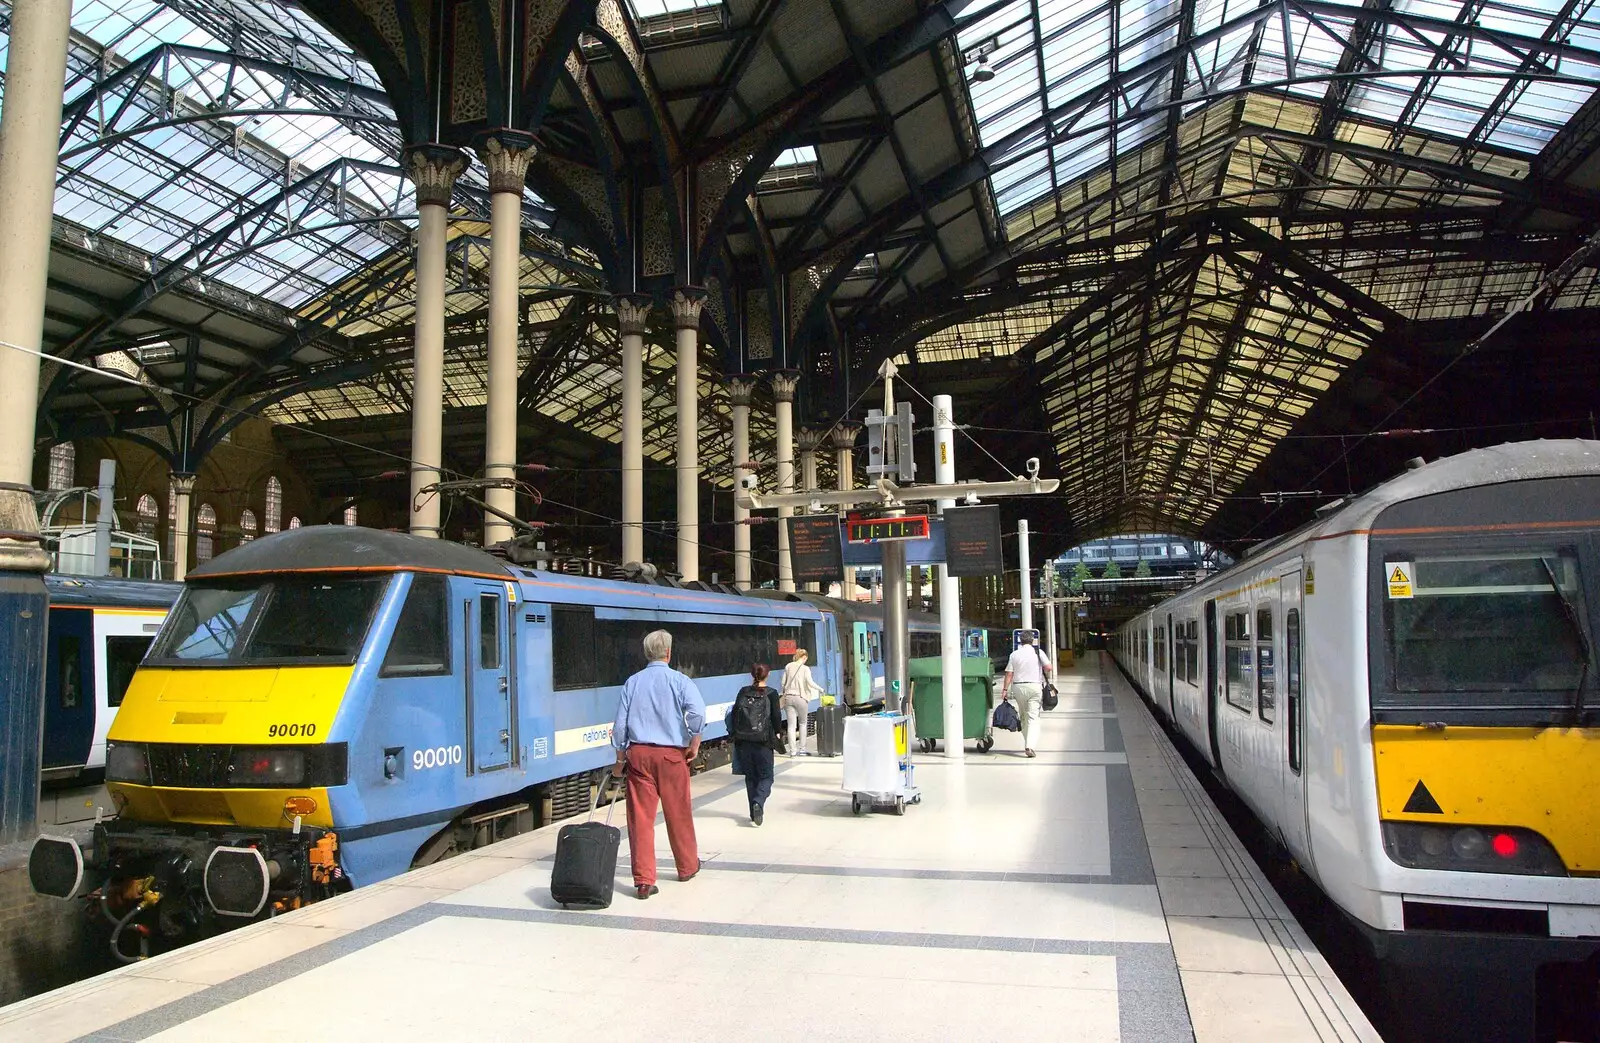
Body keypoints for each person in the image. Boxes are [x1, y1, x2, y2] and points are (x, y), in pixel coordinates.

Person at [611, 629, 705, 899]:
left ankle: (643, 880)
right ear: (669, 653)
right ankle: (686, 867)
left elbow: (620, 726)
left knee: (640, 818)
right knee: (679, 812)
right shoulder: (680, 681)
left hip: (639, 754)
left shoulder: (632, 682)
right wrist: (694, 742)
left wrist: (619, 759)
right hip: (671, 755)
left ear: (646, 653)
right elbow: (697, 712)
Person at [724, 663, 783, 826]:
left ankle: (753, 812)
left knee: (751, 778)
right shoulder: (772, 693)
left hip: (744, 742)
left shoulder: (743, 691)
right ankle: (759, 801)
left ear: (752, 675)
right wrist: (777, 733)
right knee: (766, 777)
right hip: (763, 742)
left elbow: (734, 713)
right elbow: (776, 718)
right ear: (767, 675)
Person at [1001, 631, 1052, 758]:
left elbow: (1009, 673)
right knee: (1033, 717)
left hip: (1018, 687)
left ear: (1020, 640)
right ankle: (1030, 745)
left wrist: (1005, 689)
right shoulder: (1038, 652)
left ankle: (1027, 742)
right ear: (1032, 640)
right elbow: (1049, 667)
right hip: (1035, 687)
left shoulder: (1014, 654)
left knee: (1023, 716)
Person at [778, 648, 821, 756]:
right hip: (801, 698)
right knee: (802, 723)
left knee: (791, 725)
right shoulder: (805, 669)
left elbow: (783, 683)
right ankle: (802, 749)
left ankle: (792, 751)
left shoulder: (788, 666)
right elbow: (810, 683)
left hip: (788, 698)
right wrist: (821, 689)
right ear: (804, 657)